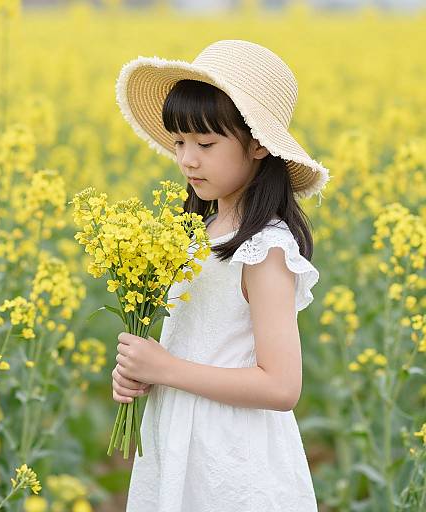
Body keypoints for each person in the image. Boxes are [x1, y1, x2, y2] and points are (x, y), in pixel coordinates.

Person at [111, 40, 330, 511]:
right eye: (179, 142)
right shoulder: (198, 231)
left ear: (257, 144)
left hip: (233, 455)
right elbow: (196, 342)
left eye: (206, 144)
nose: (187, 160)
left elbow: (281, 386)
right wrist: (141, 373)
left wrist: (166, 368)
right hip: (179, 437)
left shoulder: (265, 249)